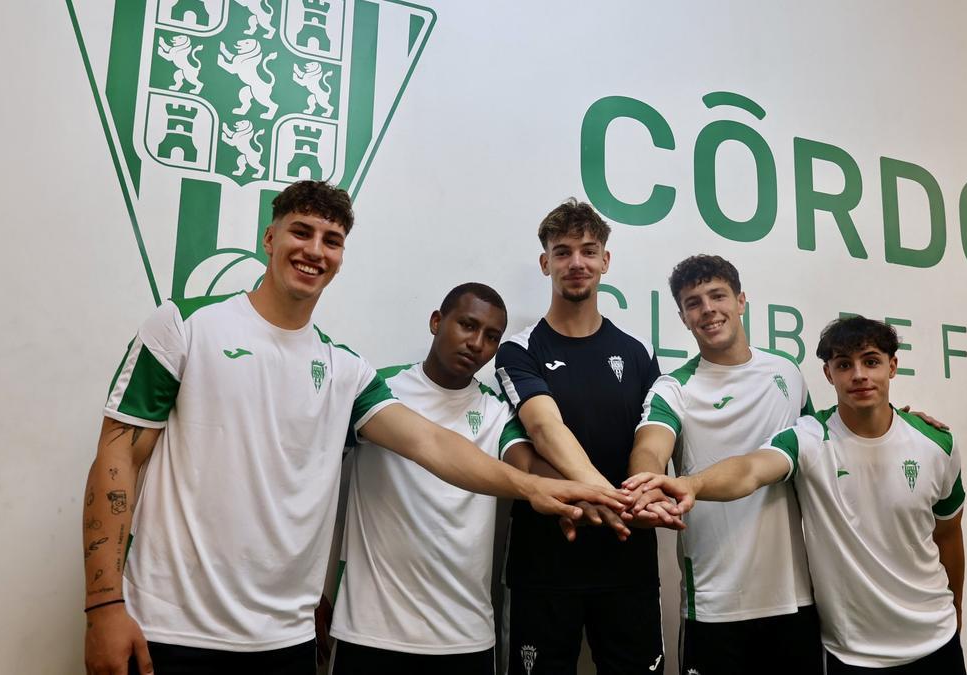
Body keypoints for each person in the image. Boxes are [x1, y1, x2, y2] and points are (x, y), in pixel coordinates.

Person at [81, 181, 628, 675]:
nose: (315, 250)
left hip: (286, 642)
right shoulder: (183, 325)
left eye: (332, 240)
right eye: (302, 232)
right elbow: (118, 459)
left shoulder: (346, 371)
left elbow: (432, 443)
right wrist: (104, 605)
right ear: (269, 239)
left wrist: (541, 488)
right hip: (169, 629)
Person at [628, 316, 967, 674]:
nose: (859, 375)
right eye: (843, 365)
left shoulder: (936, 443)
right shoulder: (808, 438)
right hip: (851, 655)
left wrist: (956, 617)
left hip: (936, 641)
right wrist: (692, 485)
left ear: (892, 366)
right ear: (828, 374)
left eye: (871, 361)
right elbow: (749, 470)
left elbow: (948, 536)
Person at [329, 282, 546, 674]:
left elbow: (529, 470)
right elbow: (315, 483)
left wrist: (593, 492)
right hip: (370, 630)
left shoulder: (496, 411)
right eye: (466, 325)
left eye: (491, 336)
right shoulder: (379, 389)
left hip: (465, 636)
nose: (476, 343)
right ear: (436, 321)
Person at [494, 198, 670, 675]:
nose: (576, 263)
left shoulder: (636, 352)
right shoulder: (519, 347)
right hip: (544, 568)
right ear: (545, 262)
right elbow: (544, 428)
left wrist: (627, 498)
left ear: (605, 261)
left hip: (627, 564)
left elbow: (651, 443)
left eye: (589, 251)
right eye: (563, 251)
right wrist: (609, 497)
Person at [627, 254, 821, 675]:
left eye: (718, 296)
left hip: (796, 598)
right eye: (694, 302)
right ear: (682, 317)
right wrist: (646, 481)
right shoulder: (675, 386)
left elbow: (820, 447)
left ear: (741, 301)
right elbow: (650, 445)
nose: (708, 309)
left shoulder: (787, 372)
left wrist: (899, 419)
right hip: (714, 606)